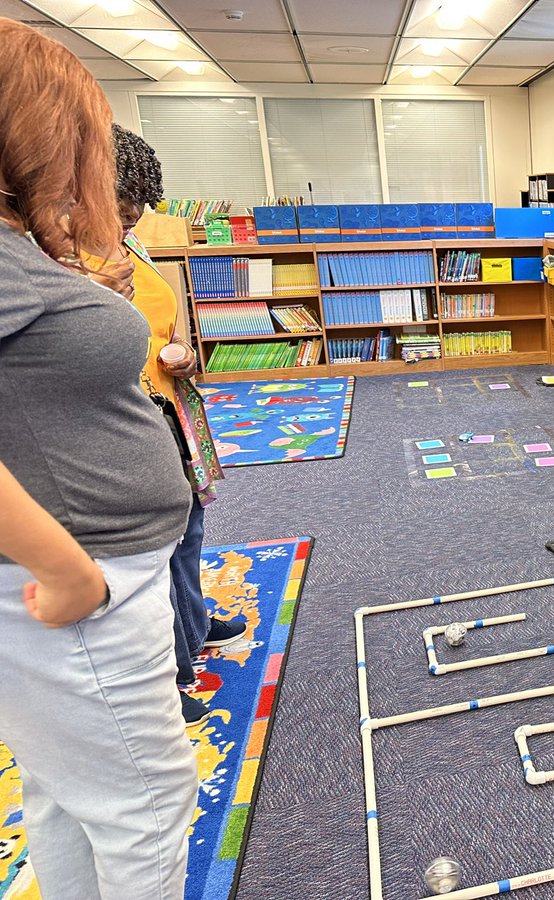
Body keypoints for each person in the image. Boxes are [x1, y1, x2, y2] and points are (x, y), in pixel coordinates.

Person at [0, 17, 197, 899]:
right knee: (147, 803)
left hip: (87, 563)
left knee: (67, 792)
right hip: (75, 578)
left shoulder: (17, 247)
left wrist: (79, 298)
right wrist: (65, 567)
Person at [108, 125, 244, 727]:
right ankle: (168, 670)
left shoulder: (127, 245)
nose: (133, 215)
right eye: (121, 202)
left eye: (140, 203)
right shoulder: (51, 262)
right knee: (146, 551)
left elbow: (159, 325)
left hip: (165, 409)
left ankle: (190, 624)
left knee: (187, 533)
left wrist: (184, 351)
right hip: (119, 424)